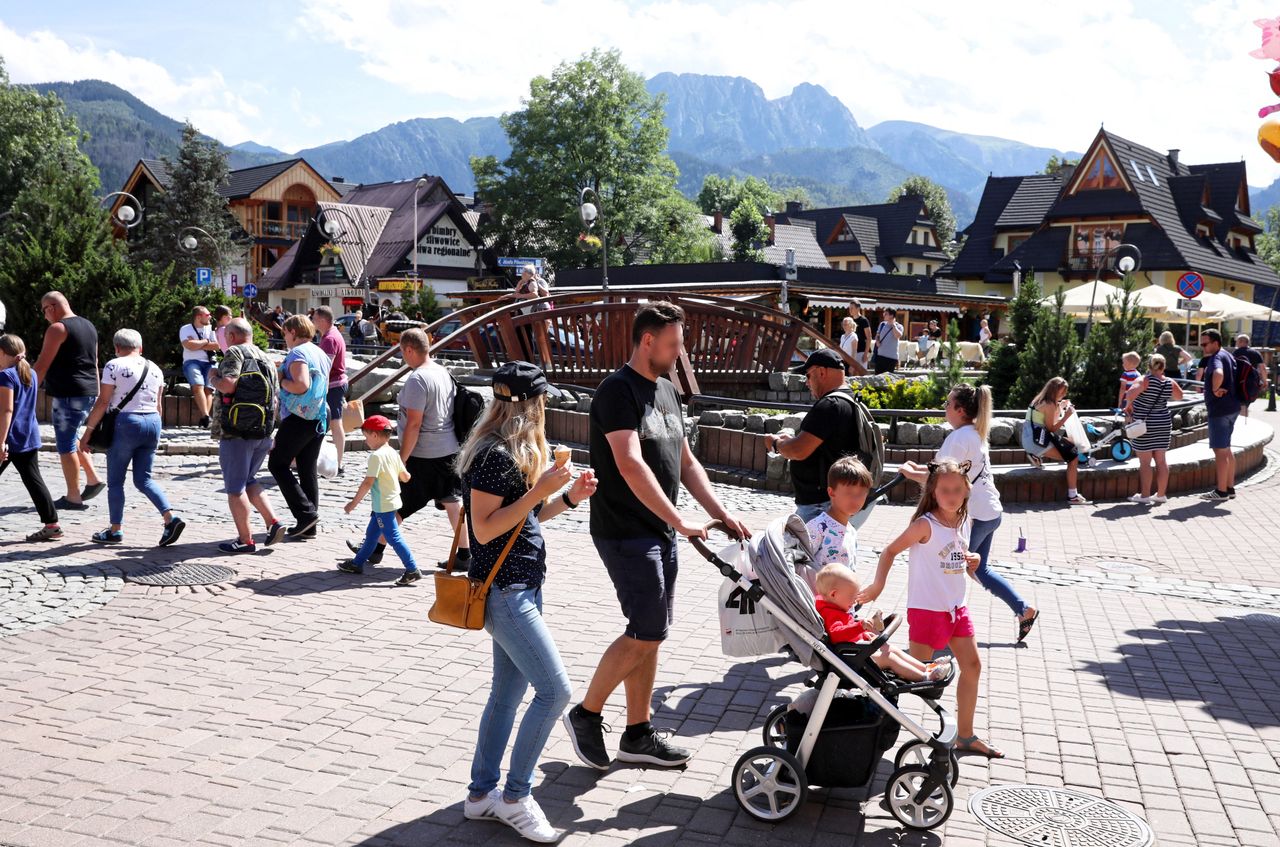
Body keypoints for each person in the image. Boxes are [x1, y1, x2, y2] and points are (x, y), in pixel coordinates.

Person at [564, 303, 750, 772]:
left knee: (651, 635)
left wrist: (719, 512)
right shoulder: (616, 392)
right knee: (646, 629)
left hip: (660, 531)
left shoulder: (667, 390)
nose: (679, 352)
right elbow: (629, 463)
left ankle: (638, 733)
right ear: (647, 340)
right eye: (673, 343)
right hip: (625, 531)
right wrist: (680, 520)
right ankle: (585, 714)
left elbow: (686, 463)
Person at [460, 361, 597, 843]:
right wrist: (541, 488)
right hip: (506, 592)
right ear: (527, 405)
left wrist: (570, 498)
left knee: (506, 695)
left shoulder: (513, 453)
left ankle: (480, 795)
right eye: (541, 401)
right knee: (555, 692)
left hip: (522, 586)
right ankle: (515, 797)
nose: (546, 409)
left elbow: (527, 519)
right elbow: (484, 529)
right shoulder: (493, 455)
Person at [859, 458, 1003, 759]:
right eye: (944, 490)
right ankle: (873, 728)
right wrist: (877, 586)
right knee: (912, 680)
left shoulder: (965, 520)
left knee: (973, 667)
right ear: (933, 492)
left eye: (956, 490)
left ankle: (965, 736)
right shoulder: (925, 524)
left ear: (966, 491)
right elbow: (889, 551)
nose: (951, 495)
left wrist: (972, 561)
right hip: (926, 611)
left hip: (956, 609)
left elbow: (958, 560)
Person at [903, 384, 1039, 641]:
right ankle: (1023, 610)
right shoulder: (974, 433)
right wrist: (918, 471)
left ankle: (951, 621)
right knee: (978, 569)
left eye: (947, 404)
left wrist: (911, 474)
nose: (944, 409)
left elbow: (941, 480)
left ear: (960, 409)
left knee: (957, 567)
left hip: (975, 514)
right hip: (990, 512)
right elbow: (943, 474)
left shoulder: (958, 438)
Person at [348, 328, 470, 568]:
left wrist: (401, 459)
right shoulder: (442, 372)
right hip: (448, 449)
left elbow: (414, 423)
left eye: (403, 351)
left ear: (410, 349)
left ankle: (373, 549)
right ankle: (464, 554)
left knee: (395, 501)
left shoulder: (417, 379)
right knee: (451, 500)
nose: (403, 356)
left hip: (423, 454)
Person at [79, 329, 185, 547]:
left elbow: (103, 402)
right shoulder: (154, 368)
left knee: (116, 482)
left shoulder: (114, 365)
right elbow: (158, 405)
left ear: (117, 348)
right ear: (140, 347)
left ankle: (115, 530)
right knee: (144, 479)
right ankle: (170, 518)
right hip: (153, 423)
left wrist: (88, 432)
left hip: (126, 424)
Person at [767, 348, 876, 528]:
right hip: (832, 502)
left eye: (808, 376)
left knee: (805, 555)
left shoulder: (830, 405)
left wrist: (776, 444)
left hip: (820, 506)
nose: (807, 382)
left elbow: (798, 450)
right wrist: (793, 440)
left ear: (822, 372)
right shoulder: (849, 400)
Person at [209, 318, 285, 553]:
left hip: (236, 432)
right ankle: (274, 522)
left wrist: (213, 377)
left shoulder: (234, 352)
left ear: (231, 336)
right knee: (249, 479)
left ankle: (245, 540)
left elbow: (229, 385)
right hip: (262, 430)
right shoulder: (266, 359)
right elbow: (275, 397)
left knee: (235, 488)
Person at [815, 565, 950, 683]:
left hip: (856, 652)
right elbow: (838, 634)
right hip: (852, 659)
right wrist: (859, 627)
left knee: (891, 649)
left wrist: (863, 633)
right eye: (852, 596)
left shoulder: (835, 607)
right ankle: (924, 678)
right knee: (888, 657)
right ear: (833, 594)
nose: (855, 601)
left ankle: (927, 668)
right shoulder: (829, 613)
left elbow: (846, 628)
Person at [32, 291, 102, 511]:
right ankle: (93, 479)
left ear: (51, 307)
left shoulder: (58, 328)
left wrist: (26, 391)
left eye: (44, 311)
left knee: (65, 445)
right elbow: (95, 361)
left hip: (68, 394)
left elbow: (42, 365)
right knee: (71, 437)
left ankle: (73, 497)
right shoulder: (89, 325)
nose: (44, 316)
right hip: (87, 390)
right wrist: (97, 391)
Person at [338, 415, 422, 586]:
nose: (366, 440)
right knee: (371, 535)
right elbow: (405, 477)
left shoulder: (376, 457)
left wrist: (353, 503)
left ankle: (412, 569)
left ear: (374, 435)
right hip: (389, 502)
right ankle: (357, 563)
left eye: (366, 436)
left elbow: (368, 482)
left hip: (384, 505)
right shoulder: (392, 452)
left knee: (393, 538)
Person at [268, 314, 331, 538]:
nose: (284, 337)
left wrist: (281, 379)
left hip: (299, 417)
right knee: (307, 468)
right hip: (319, 416)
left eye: (285, 332)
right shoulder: (319, 352)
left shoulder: (298, 352)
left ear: (293, 332)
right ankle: (309, 526)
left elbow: (301, 385)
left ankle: (305, 515)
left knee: (277, 464)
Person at [0, 334, 61, 541]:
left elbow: (6, 411)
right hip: (28, 434)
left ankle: (52, 525)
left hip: (10, 437)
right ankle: (52, 524)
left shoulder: (6, 376)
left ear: (2, 352)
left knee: (33, 479)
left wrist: (1, 441)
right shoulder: (31, 373)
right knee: (34, 480)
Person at [1123, 353, 1183, 504]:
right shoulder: (1169, 382)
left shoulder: (1144, 380)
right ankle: (1161, 494)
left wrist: (1129, 405)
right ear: (1163, 366)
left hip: (1145, 424)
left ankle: (1144, 496)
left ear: (1149, 365)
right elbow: (1180, 396)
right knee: (1161, 461)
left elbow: (1129, 393)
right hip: (1163, 423)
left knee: (1145, 463)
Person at [1020, 377, 1089, 505]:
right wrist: (1067, 415)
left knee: (1070, 442)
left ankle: (1035, 455)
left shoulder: (1039, 399)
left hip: (1028, 438)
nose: (1064, 395)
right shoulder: (1049, 404)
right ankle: (1072, 496)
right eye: (1062, 392)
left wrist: (1060, 405)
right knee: (1073, 457)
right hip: (1037, 442)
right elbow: (1051, 428)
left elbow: (1047, 420)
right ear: (1054, 390)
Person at [803, 456, 871, 569]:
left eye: (861, 493)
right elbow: (800, 565)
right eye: (849, 493)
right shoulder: (817, 527)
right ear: (832, 492)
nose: (856, 499)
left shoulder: (851, 530)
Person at [1198, 329, 1238, 501]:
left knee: (1220, 452)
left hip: (1220, 410)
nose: (1203, 347)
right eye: (1201, 344)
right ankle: (1229, 487)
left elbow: (1218, 373)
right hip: (1232, 407)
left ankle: (1221, 491)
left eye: (1205, 344)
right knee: (1227, 449)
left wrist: (1214, 389)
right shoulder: (1228, 355)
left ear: (1216, 342)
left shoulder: (1216, 358)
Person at [313, 306, 349, 474]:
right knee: (334, 422)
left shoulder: (329, 339)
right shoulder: (332, 335)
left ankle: (339, 463)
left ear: (322, 320)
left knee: (335, 423)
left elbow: (325, 367)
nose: (312, 322)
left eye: (314, 318)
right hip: (337, 384)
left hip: (333, 385)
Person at [179, 306, 219, 428]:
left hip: (209, 362)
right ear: (198, 317)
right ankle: (206, 415)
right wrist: (206, 341)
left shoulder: (211, 329)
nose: (210, 317)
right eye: (207, 315)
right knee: (198, 386)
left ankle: (204, 419)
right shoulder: (186, 329)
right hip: (191, 361)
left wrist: (198, 343)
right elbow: (188, 345)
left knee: (209, 389)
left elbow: (217, 346)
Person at [1233, 334, 1267, 418]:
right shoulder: (1255, 353)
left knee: (1241, 403)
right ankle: (1244, 421)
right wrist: (1265, 381)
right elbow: (1262, 368)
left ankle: (1242, 423)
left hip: (1238, 381)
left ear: (1240, 342)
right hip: (1252, 382)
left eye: (1237, 341)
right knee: (1245, 402)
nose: (1236, 343)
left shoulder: (1235, 353)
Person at [871, 308, 903, 374]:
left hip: (891, 357)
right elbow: (877, 335)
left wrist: (893, 325)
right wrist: (877, 341)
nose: (884, 315)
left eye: (886, 314)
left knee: (888, 379)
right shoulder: (882, 324)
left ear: (891, 316)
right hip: (880, 355)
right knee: (877, 377)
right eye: (884, 313)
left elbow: (897, 336)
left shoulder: (899, 326)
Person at [848, 301, 872, 369]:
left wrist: (866, 354)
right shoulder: (851, 320)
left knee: (861, 373)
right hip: (853, 351)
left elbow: (869, 337)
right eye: (849, 308)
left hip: (861, 351)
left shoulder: (864, 320)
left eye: (852, 308)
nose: (850, 310)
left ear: (858, 308)